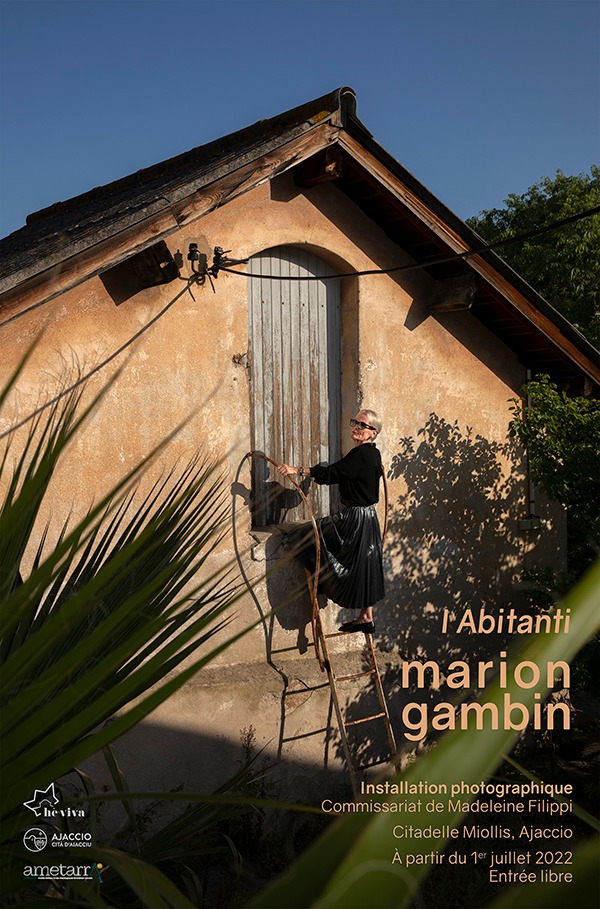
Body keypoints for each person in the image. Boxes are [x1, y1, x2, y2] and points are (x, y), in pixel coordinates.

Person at [277, 409, 384, 634]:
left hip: (355, 519)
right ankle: (366, 616)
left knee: (307, 535)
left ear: (373, 433)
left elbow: (332, 473)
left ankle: (326, 584)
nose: (356, 426)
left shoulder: (361, 455)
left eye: (362, 425)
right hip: (369, 517)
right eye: (355, 421)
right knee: (365, 563)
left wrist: (297, 470)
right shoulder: (373, 454)